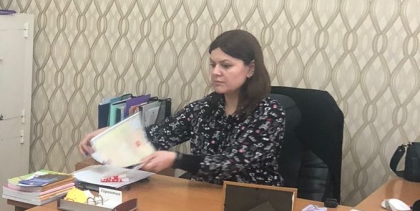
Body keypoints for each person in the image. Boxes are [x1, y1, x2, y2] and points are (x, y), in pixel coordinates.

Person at [79, 30, 285, 185]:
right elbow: (158, 134)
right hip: (203, 196)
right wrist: (109, 136)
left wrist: (176, 159)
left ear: (250, 69)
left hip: (252, 202)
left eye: (226, 65)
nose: (216, 72)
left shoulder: (269, 113)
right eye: (212, 64)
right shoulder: (204, 108)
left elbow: (233, 163)